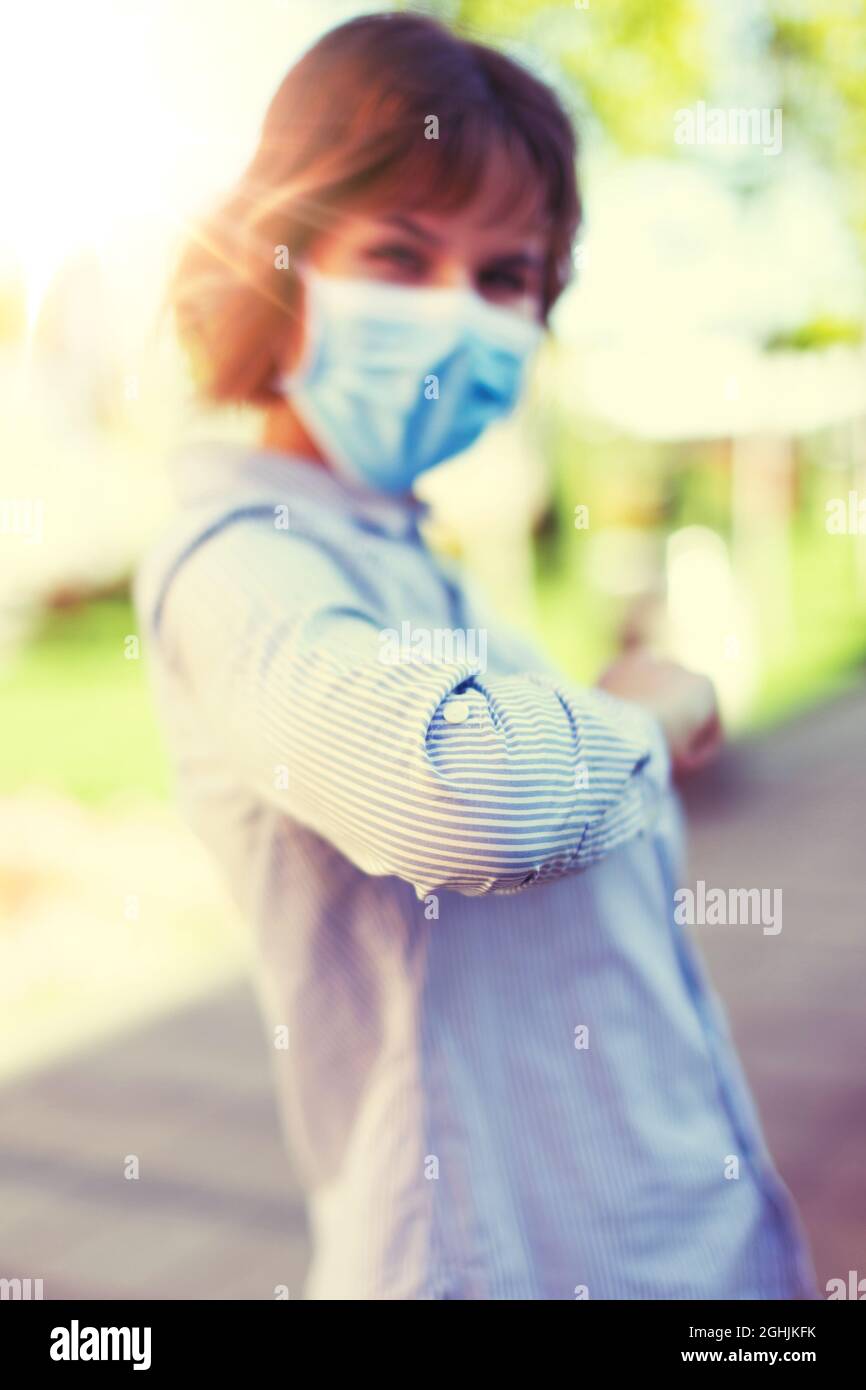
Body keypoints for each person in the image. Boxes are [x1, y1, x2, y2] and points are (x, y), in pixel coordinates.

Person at [136, 11, 817, 1300]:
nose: (459, 314)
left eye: (506, 278)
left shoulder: (406, 558)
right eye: (399, 254)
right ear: (280, 261)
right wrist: (651, 711)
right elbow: (476, 797)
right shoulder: (238, 559)